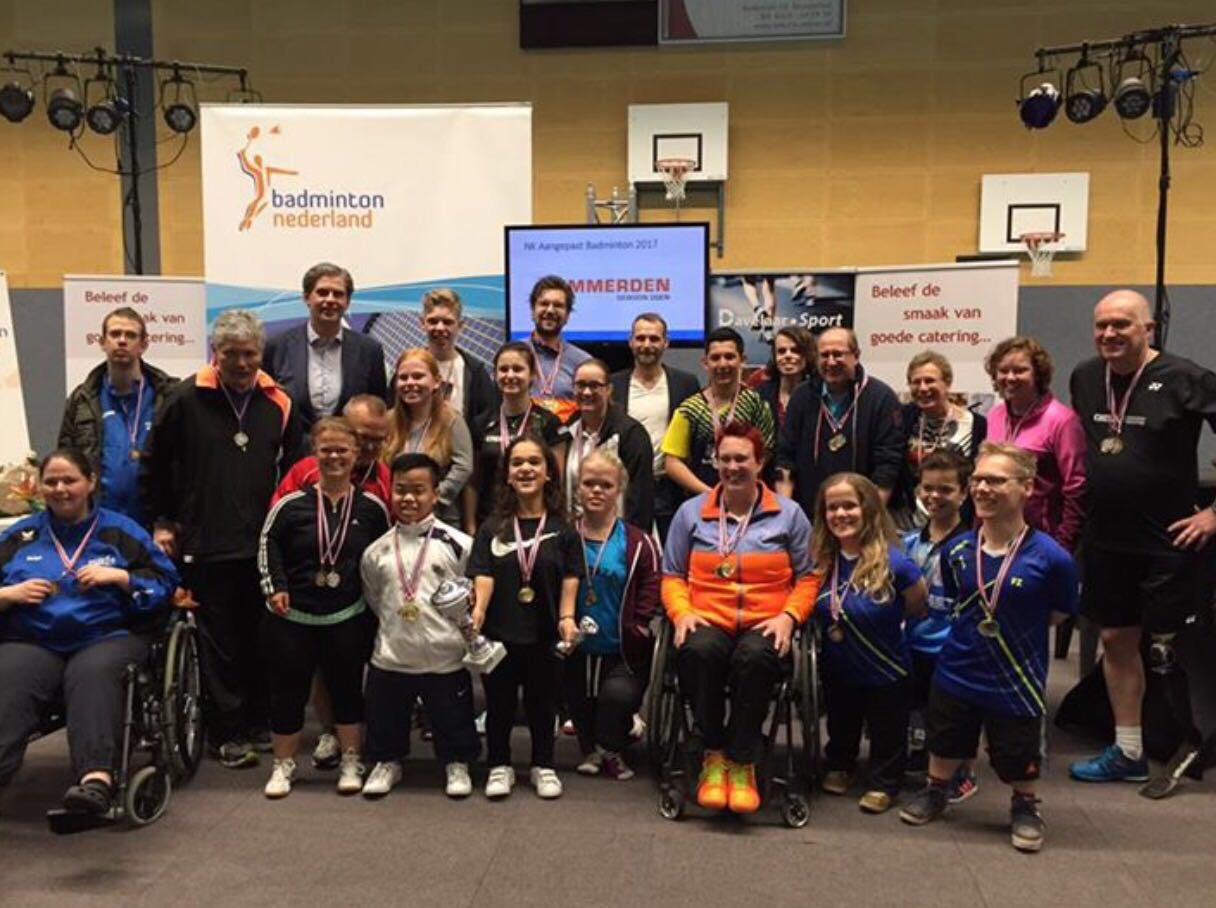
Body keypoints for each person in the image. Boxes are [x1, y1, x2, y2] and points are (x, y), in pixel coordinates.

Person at [142, 309, 306, 769]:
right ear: (216, 353)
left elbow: (296, 471)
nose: (241, 363)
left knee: (262, 638)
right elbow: (155, 465)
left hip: (263, 542)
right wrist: (163, 521)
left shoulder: (280, 402)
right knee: (219, 643)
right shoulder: (184, 398)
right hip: (205, 539)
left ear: (261, 353)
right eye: (231, 353)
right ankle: (227, 732)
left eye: (250, 353)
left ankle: (257, 720)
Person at [1067, 289, 1216, 785]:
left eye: (1122, 324)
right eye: (1102, 325)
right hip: (1107, 538)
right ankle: (1128, 749)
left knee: (1171, 649)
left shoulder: (1186, 378)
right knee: (1115, 639)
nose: (1109, 333)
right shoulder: (1086, 376)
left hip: (1169, 539)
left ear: (1148, 329)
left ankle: (1190, 740)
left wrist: (1214, 514)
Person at [900, 442, 1077, 852]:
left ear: (1026, 487)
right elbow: (957, 603)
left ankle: (1025, 805)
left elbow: (1058, 613)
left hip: (1015, 675)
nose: (982, 488)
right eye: (978, 480)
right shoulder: (958, 550)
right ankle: (936, 789)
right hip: (957, 666)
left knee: (1017, 751)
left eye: (996, 481)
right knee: (946, 737)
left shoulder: (1052, 558)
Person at [0, 450, 178, 815]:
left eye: (70, 480)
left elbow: (165, 582)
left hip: (105, 635)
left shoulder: (120, 531)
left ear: (91, 482)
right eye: (51, 482)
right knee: (11, 675)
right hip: (35, 639)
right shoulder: (20, 536)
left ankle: (96, 779)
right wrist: (9, 594)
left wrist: (121, 577)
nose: (60, 489)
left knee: (93, 674)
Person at [661, 423, 818, 814]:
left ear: (759, 463)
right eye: (725, 459)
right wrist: (681, 612)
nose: (732, 467)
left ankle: (743, 760)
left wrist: (789, 617)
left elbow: (809, 577)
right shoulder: (690, 513)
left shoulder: (789, 515)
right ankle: (714, 754)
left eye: (741, 459)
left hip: (765, 620)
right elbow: (672, 575)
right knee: (698, 651)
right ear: (715, 462)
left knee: (756, 658)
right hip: (707, 617)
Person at [257, 417, 390, 798]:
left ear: (355, 454)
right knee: (288, 691)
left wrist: (379, 604)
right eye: (326, 449)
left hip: (347, 614)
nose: (334, 457)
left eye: (342, 450)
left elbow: (383, 556)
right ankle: (284, 765)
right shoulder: (290, 505)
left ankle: (351, 759)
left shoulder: (372, 508)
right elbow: (268, 545)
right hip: (293, 614)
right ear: (314, 453)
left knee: (347, 688)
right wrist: (275, 587)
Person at [359, 453, 481, 799]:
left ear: (435, 493)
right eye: (401, 490)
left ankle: (456, 762)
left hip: (444, 655)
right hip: (393, 653)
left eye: (418, 490)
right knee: (385, 715)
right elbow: (374, 597)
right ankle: (387, 761)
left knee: (453, 717)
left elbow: (471, 595)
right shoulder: (376, 551)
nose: (409, 498)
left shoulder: (459, 544)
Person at [468, 435, 583, 800]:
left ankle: (543, 765)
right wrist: (478, 612)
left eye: (534, 462)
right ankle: (499, 765)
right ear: (507, 474)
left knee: (543, 703)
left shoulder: (563, 530)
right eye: (517, 463)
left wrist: (567, 617)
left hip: (545, 633)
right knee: (498, 703)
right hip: (500, 633)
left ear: (549, 473)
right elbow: (483, 574)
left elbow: (571, 577)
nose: (526, 469)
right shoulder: (493, 527)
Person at [813, 472, 926, 814]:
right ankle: (841, 764)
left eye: (849, 506)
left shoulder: (897, 563)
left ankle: (885, 781)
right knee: (840, 720)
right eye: (832, 507)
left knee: (887, 727)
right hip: (838, 663)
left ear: (869, 510)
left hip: (885, 664)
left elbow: (917, 603)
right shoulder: (820, 560)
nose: (840, 514)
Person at [565, 450, 660, 781]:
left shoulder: (638, 542)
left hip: (622, 647)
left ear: (619, 489)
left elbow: (651, 586)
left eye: (605, 485)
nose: (596, 491)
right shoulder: (564, 536)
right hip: (574, 646)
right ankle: (593, 748)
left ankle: (610, 747)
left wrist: (639, 624)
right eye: (589, 483)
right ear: (577, 487)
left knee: (616, 697)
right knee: (577, 702)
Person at [899, 448, 975, 797]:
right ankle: (919, 757)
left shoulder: (973, 547)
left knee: (953, 714)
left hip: (952, 647)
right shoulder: (907, 542)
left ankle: (963, 772)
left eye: (945, 489)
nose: (935, 496)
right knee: (916, 708)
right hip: (913, 643)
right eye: (928, 488)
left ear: (964, 492)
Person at [58, 306, 177, 523]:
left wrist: (169, 521)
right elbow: (66, 463)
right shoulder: (82, 399)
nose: (122, 341)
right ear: (102, 342)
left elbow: (184, 465)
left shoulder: (169, 396)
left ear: (144, 344)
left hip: (153, 523)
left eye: (130, 335)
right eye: (115, 334)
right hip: (97, 521)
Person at [777, 327, 904, 517]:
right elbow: (785, 458)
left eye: (838, 354)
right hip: (810, 515)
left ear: (856, 356)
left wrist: (871, 518)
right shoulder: (801, 397)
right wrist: (787, 515)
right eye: (824, 355)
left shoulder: (881, 398)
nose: (830, 362)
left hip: (861, 515)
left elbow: (887, 466)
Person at [985, 336, 1085, 552]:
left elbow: (1076, 488)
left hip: (1042, 540)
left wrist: (1062, 545)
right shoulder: (994, 416)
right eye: (1003, 371)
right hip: (997, 536)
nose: (1010, 377)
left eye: (1020, 370)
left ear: (1038, 374)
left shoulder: (1061, 420)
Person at [262, 262, 388, 433]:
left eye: (338, 294)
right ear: (307, 298)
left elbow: (378, 407)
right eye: (322, 293)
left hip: (350, 447)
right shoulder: (277, 347)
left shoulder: (369, 351)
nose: (330, 299)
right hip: (293, 447)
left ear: (347, 302)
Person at [610, 313, 700, 542]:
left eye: (654, 338)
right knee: (630, 553)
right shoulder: (613, 385)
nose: (647, 344)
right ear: (631, 342)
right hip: (626, 490)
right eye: (640, 338)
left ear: (666, 343)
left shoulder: (686, 383)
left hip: (671, 490)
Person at [661, 327, 776, 504]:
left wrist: (739, 484)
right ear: (705, 363)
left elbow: (765, 451)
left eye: (729, 357)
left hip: (748, 500)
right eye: (715, 358)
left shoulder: (757, 404)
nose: (722, 364)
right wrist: (710, 494)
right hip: (702, 502)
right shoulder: (689, 409)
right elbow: (672, 462)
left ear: (742, 360)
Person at [471, 342, 565, 524]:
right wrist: (470, 525)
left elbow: (556, 481)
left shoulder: (549, 423)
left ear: (532, 375)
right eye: (503, 369)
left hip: (537, 521)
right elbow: (473, 482)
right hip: (490, 520)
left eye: (518, 369)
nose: (510, 375)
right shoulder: (480, 423)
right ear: (494, 375)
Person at [892, 350, 986, 530]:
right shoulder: (902, 419)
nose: (923, 388)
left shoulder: (976, 425)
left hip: (958, 525)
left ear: (947, 383)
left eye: (929, 381)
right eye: (916, 382)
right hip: (908, 525)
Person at [384, 348, 474, 531]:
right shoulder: (388, 421)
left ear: (436, 382)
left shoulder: (452, 420)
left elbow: (463, 466)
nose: (410, 383)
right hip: (395, 520)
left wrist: (433, 498)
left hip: (441, 518)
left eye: (418, 376)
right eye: (403, 378)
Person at [559, 358, 655, 530]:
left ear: (609, 390)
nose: (586, 392)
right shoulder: (566, 432)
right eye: (581, 385)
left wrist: (632, 540)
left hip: (617, 536)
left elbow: (641, 498)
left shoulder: (631, 434)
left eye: (594, 385)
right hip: (574, 534)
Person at [272, 394, 392, 506]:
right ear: (343, 426)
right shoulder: (305, 471)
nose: (370, 447)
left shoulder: (385, 481)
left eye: (378, 440)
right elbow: (279, 511)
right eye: (363, 437)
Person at [419, 288, 497, 442]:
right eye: (433, 321)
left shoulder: (475, 372)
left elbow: (487, 420)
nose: (440, 327)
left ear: (460, 325)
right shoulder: (408, 368)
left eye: (447, 322)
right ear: (422, 323)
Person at [526, 275, 591, 423]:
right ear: (532, 310)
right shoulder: (513, 355)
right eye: (544, 303)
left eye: (558, 305)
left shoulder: (584, 362)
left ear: (567, 315)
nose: (550, 310)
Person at [750, 325, 816, 431]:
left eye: (795, 351)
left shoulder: (818, 394)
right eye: (781, 351)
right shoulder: (760, 394)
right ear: (774, 357)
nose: (787, 355)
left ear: (807, 355)